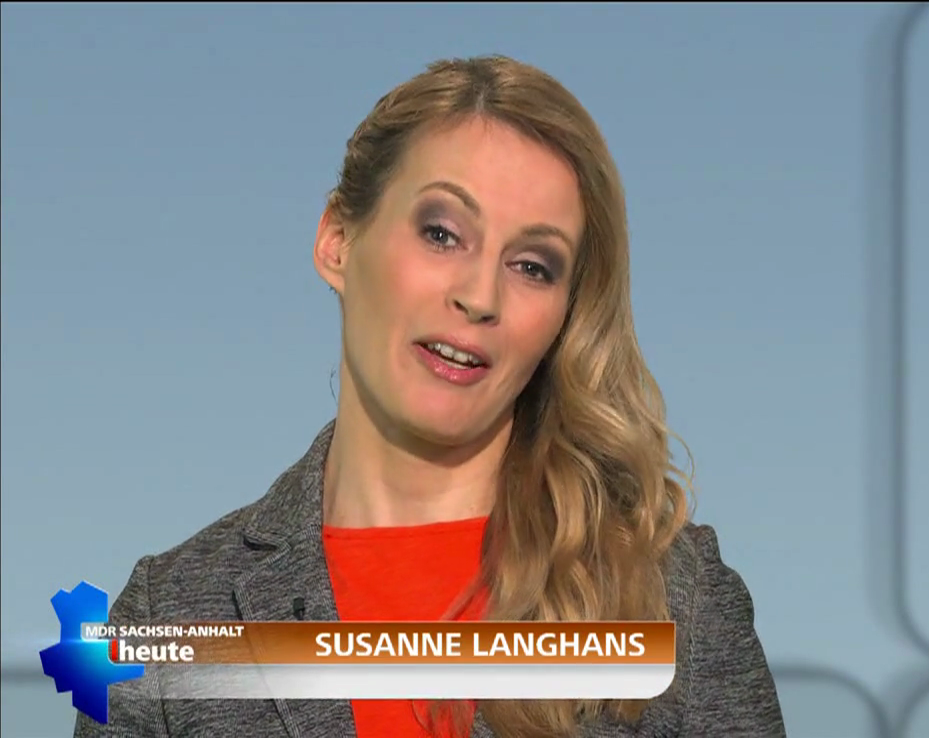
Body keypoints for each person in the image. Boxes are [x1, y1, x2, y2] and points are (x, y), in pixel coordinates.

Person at [75, 55, 786, 738]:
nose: (479, 295)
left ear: (565, 316)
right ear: (337, 241)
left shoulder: (675, 600)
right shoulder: (167, 617)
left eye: (532, 266)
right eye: (442, 233)